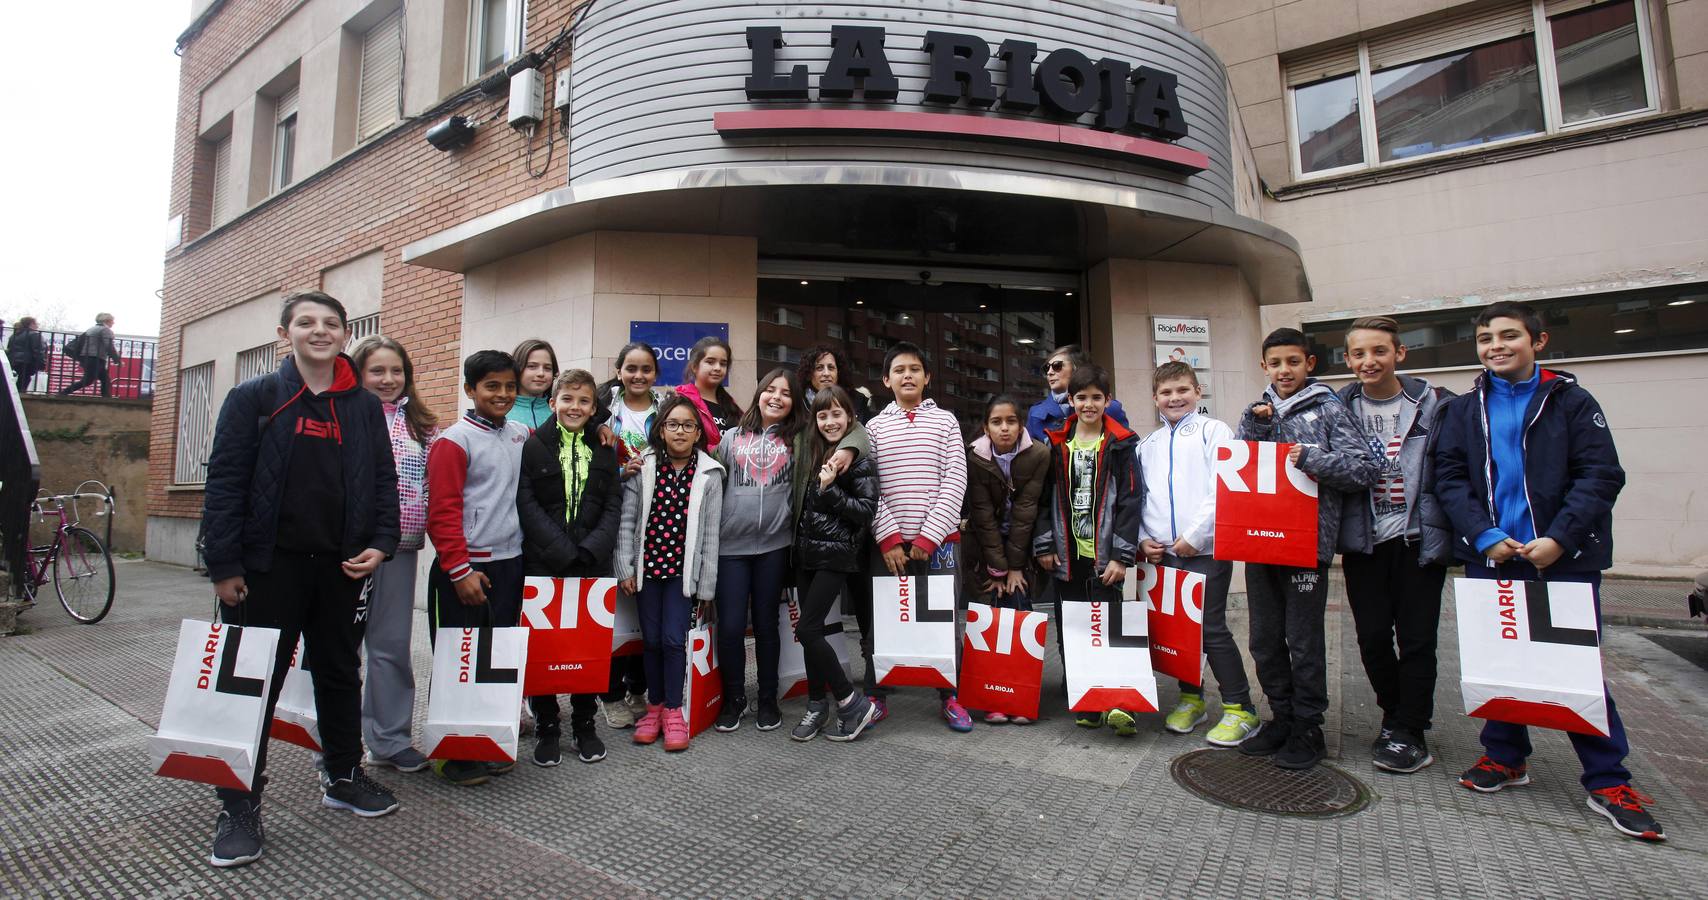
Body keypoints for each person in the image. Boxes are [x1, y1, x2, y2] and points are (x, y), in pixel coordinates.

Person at [1434, 301, 1664, 842]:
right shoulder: (1465, 411)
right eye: (1486, 337)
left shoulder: (1573, 401)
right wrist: (1485, 537)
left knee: (1574, 671)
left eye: (1508, 335)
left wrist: (1559, 539)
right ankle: (1505, 756)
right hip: (1494, 557)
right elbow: (1448, 479)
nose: (1495, 345)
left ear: (1537, 341)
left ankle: (1609, 780)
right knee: (1503, 659)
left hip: (1563, 558)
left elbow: (1602, 474)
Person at [200, 291, 400, 868]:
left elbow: (383, 484)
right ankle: (238, 804)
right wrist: (225, 566)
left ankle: (342, 776)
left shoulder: (362, 406)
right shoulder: (254, 398)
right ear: (283, 333)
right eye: (306, 322)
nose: (319, 331)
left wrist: (380, 545)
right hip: (268, 569)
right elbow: (226, 484)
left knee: (339, 673)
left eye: (331, 324)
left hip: (341, 568)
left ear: (344, 335)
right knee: (253, 686)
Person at [1234, 328, 1382, 772]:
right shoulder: (1254, 411)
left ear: (1310, 364)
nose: (1284, 371)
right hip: (1259, 543)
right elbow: (1240, 468)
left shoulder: (1330, 409)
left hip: (1307, 547)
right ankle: (1279, 717)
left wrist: (1313, 459)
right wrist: (1257, 429)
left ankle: (1308, 727)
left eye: (1293, 362)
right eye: (1275, 363)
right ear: (1264, 366)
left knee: (1303, 641)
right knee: (1263, 640)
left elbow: (1364, 469)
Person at [1335, 317, 1455, 774]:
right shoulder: (1339, 407)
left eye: (1379, 351)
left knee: (1418, 639)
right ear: (1347, 360)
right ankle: (1393, 716)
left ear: (1399, 353)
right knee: (1371, 638)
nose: (1370, 361)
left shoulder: (1436, 404)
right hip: (1364, 542)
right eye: (1359, 354)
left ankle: (1412, 729)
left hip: (1417, 540)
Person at [424, 349, 530, 787]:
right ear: (470, 390)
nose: (502, 394)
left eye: (509, 386)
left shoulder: (522, 434)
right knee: (460, 662)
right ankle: (451, 755)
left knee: (496, 662)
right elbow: (442, 512)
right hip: (467, 571)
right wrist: (459, 570)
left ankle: (488, 741)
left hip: (511, 564)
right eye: (492, 386)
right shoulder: (453, 441)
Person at [1138, 362, 1257, 747]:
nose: (1175, 398)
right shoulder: (1147, 445)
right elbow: (1139, 500)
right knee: (1179, 632)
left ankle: (1241, 709)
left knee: (1211, 628)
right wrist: (1143, 539)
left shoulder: (1215, 431)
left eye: (1182, 390)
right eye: (1166, 393)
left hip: (1205, 549)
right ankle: (1191, 700)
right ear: (1155, 399)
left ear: (1197, 392)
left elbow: (1222, 487)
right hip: (1163, 555)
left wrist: (1195, 535)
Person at [516, 368, 623, 767]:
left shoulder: (605, 448)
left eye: (583, 401)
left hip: (590, 563)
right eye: (568, 399)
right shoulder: (533, 446)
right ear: (552, 402)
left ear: (594, 407)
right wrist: (561, 549)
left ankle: (584, 723)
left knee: (587, 646)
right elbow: (526, 502)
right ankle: (547, 724)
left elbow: (614, 503)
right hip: (545, 562)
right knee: (543, 649)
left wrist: (591, 548)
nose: (574, 407)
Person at [867, 341, 973, 732]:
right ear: (886, 380)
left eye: (915, 369)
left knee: (944, 622)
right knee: (885, 619)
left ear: (928, 377)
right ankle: (875, 695)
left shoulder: (946, 421)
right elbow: (870, 487)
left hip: (940, 544)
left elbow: (955, 482)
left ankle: (951, 697)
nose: (907, 375)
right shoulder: (874, 427)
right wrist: (889, 537)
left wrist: (928, 537)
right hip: (890, 546)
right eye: (899, 370)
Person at [1033, 363, 1143, 734]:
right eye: (1081, 397)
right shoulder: (1055, 442)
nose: (1089, 404)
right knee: (1070, 629)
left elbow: (1131, 500)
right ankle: (1086, 699)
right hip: (1066, 556)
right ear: (1071, 400)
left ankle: (1118, 702)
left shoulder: (1122, 443)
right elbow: (1042, 498)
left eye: (1097, 397)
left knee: (1108, 627)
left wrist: (1122, 556)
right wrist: (1045, 544)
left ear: (1108, 400)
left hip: (1104, 557)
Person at [615, 393, 726, 752]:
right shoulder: (643, 466)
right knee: (650, 642)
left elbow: (710, 535)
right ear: (660, 430)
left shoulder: (709, 473)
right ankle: (654, 708)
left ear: (698, 433)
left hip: (683, 575)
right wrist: (626, 566)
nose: (680, 431)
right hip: (648, 572)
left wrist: (706, 589)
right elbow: (628, 520)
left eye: (688, 425)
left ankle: (675, 711)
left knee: (673, 641)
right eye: (672, 424)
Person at [350, 336, 438, 775]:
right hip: (346, 552)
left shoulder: (422, 425)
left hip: (400, 550)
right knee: (340, 651)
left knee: (390, 647)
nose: (388, 380)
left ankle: (390, 740)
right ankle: (335, 743)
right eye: (377, 371)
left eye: (396, 371)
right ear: (358, 374)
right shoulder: (342, 415)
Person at [790, 386, 881, 742]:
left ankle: (849, 700)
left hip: (836, 554)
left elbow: (865, 512)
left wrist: (830, 489)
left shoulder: (858, 458)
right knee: (813, 633)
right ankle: (817, 705)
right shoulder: (810, 452)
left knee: (808, 629)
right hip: (804, 554)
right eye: (823, 415)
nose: (830, 422)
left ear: (850, 418)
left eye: (836, 414)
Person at [595, 341, 670, 727]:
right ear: (619, 370)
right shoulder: (601, 410)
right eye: (631, 369)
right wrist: (615, 473)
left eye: (646, 369)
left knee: (647, 609)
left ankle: (638, 688)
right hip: (613, 515)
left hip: (657, 518)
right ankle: (609, 693)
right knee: (616, 610)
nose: (638, 376)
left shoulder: (667, 410)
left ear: (656, 373)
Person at [963, 394, 1049, 725]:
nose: (1004, 428)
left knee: (1022, 620)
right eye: (996, 422)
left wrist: (1013, 568)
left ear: (1021, 424)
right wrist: (998, 569)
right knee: (989, 624)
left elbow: (1026, 512)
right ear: (986, 427)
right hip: (984, 551)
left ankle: (1022, 699)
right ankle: (991, 699)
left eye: (1011, 421)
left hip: (1022, 552)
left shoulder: (1039, 454)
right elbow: (982, 515)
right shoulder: (976, 457)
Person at [1026, 344, 1129, 443]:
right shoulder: (1036, 414)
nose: (1050, 372)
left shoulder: (1110, 408)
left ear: (1076, 368)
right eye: (1046, 368)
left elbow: (1127, 451)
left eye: (1057, 366)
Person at [674, 335, 742, 449]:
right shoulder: (682, 401)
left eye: (723, 364)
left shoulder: (731, 405)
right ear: (694, 366)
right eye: (710, 362)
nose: (718, 368)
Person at [797, 343, 873, 422]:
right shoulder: (797, 404)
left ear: (838, 372)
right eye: (819, 368)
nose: (826, 373)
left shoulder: (857, 402)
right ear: (809, 374)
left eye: (831, 368)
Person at [58, 312, 122, 397]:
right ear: (107, 320)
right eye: (112, 321)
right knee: (88, 380)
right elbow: (109, 346)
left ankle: (107, 398)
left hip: (88, 358)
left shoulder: (92, 329)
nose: (113, 323)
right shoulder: (105, 330)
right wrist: (117, 360)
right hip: (95, 359)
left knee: (105, 379)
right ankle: (63, 393)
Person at [510, 338, 559, 432]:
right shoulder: (501, 411)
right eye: (532, 366)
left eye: (547, 368)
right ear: (517, 368)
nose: (541, 373)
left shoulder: (559, 412)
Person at [6, 316, 47, 392]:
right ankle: (18, 395)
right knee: (25, 379)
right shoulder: (35, 334)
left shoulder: (15, 335)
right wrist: (42, 363)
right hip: (27, 361)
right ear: (31, 324)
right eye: (36, 323)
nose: (37, 325)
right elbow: (38, 351)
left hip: (15, 361)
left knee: (22, 378)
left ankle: (16, 393)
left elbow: (10, 348)